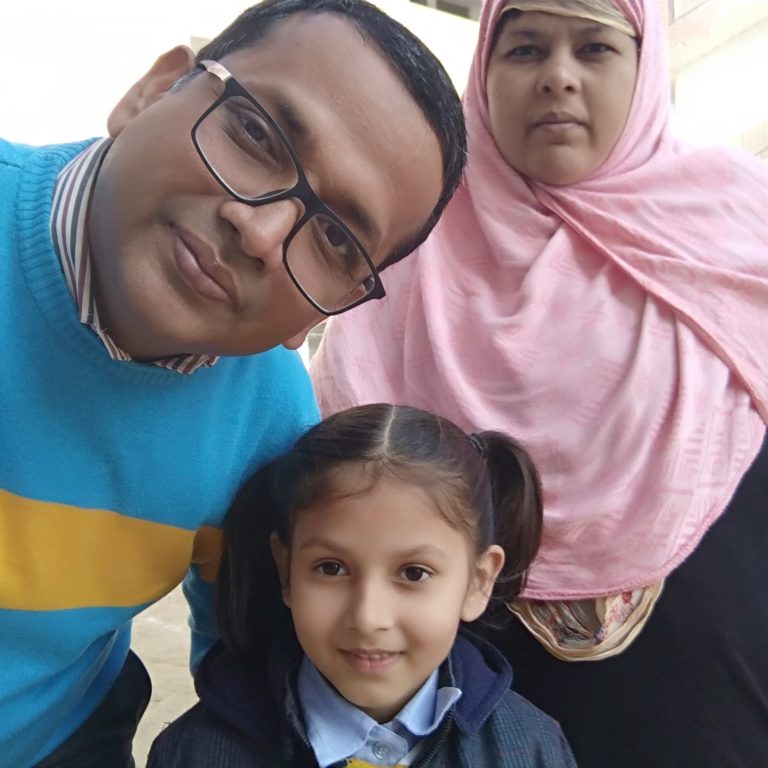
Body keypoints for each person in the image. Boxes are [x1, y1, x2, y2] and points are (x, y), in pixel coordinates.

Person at [0, 0, 467, 764]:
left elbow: (251, 675)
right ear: (153, 90)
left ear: (326, 313)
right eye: (256, 134)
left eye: (334, 238)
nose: (259, 230)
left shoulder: (268, 431)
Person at [311, 0, 768, 766]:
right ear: (483, 74)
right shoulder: (408, 248)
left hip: (718, 704)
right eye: (524, 50)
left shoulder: (742, 230)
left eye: (594, 49)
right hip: (471, 725)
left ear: (646, 69)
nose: (558, 77)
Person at [147, 403, 577, 768]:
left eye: (414, 573)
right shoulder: (198, 753)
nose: (368, 617)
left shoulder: (529, 748)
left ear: (478, 582)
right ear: (286, 570)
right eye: (331, 568)